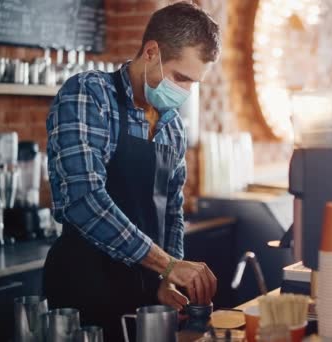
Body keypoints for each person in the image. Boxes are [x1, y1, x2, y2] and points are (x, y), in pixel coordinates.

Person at [42, 2, 221, 340]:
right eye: (181, 77)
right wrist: (167, 265)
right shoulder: (89, 94)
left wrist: (168, 277)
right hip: (84, 288)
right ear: (151, 52)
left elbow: (172, 211)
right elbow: (84, 199)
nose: (184, 92)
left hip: (146, 293)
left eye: (193, 83)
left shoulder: (173, 128)